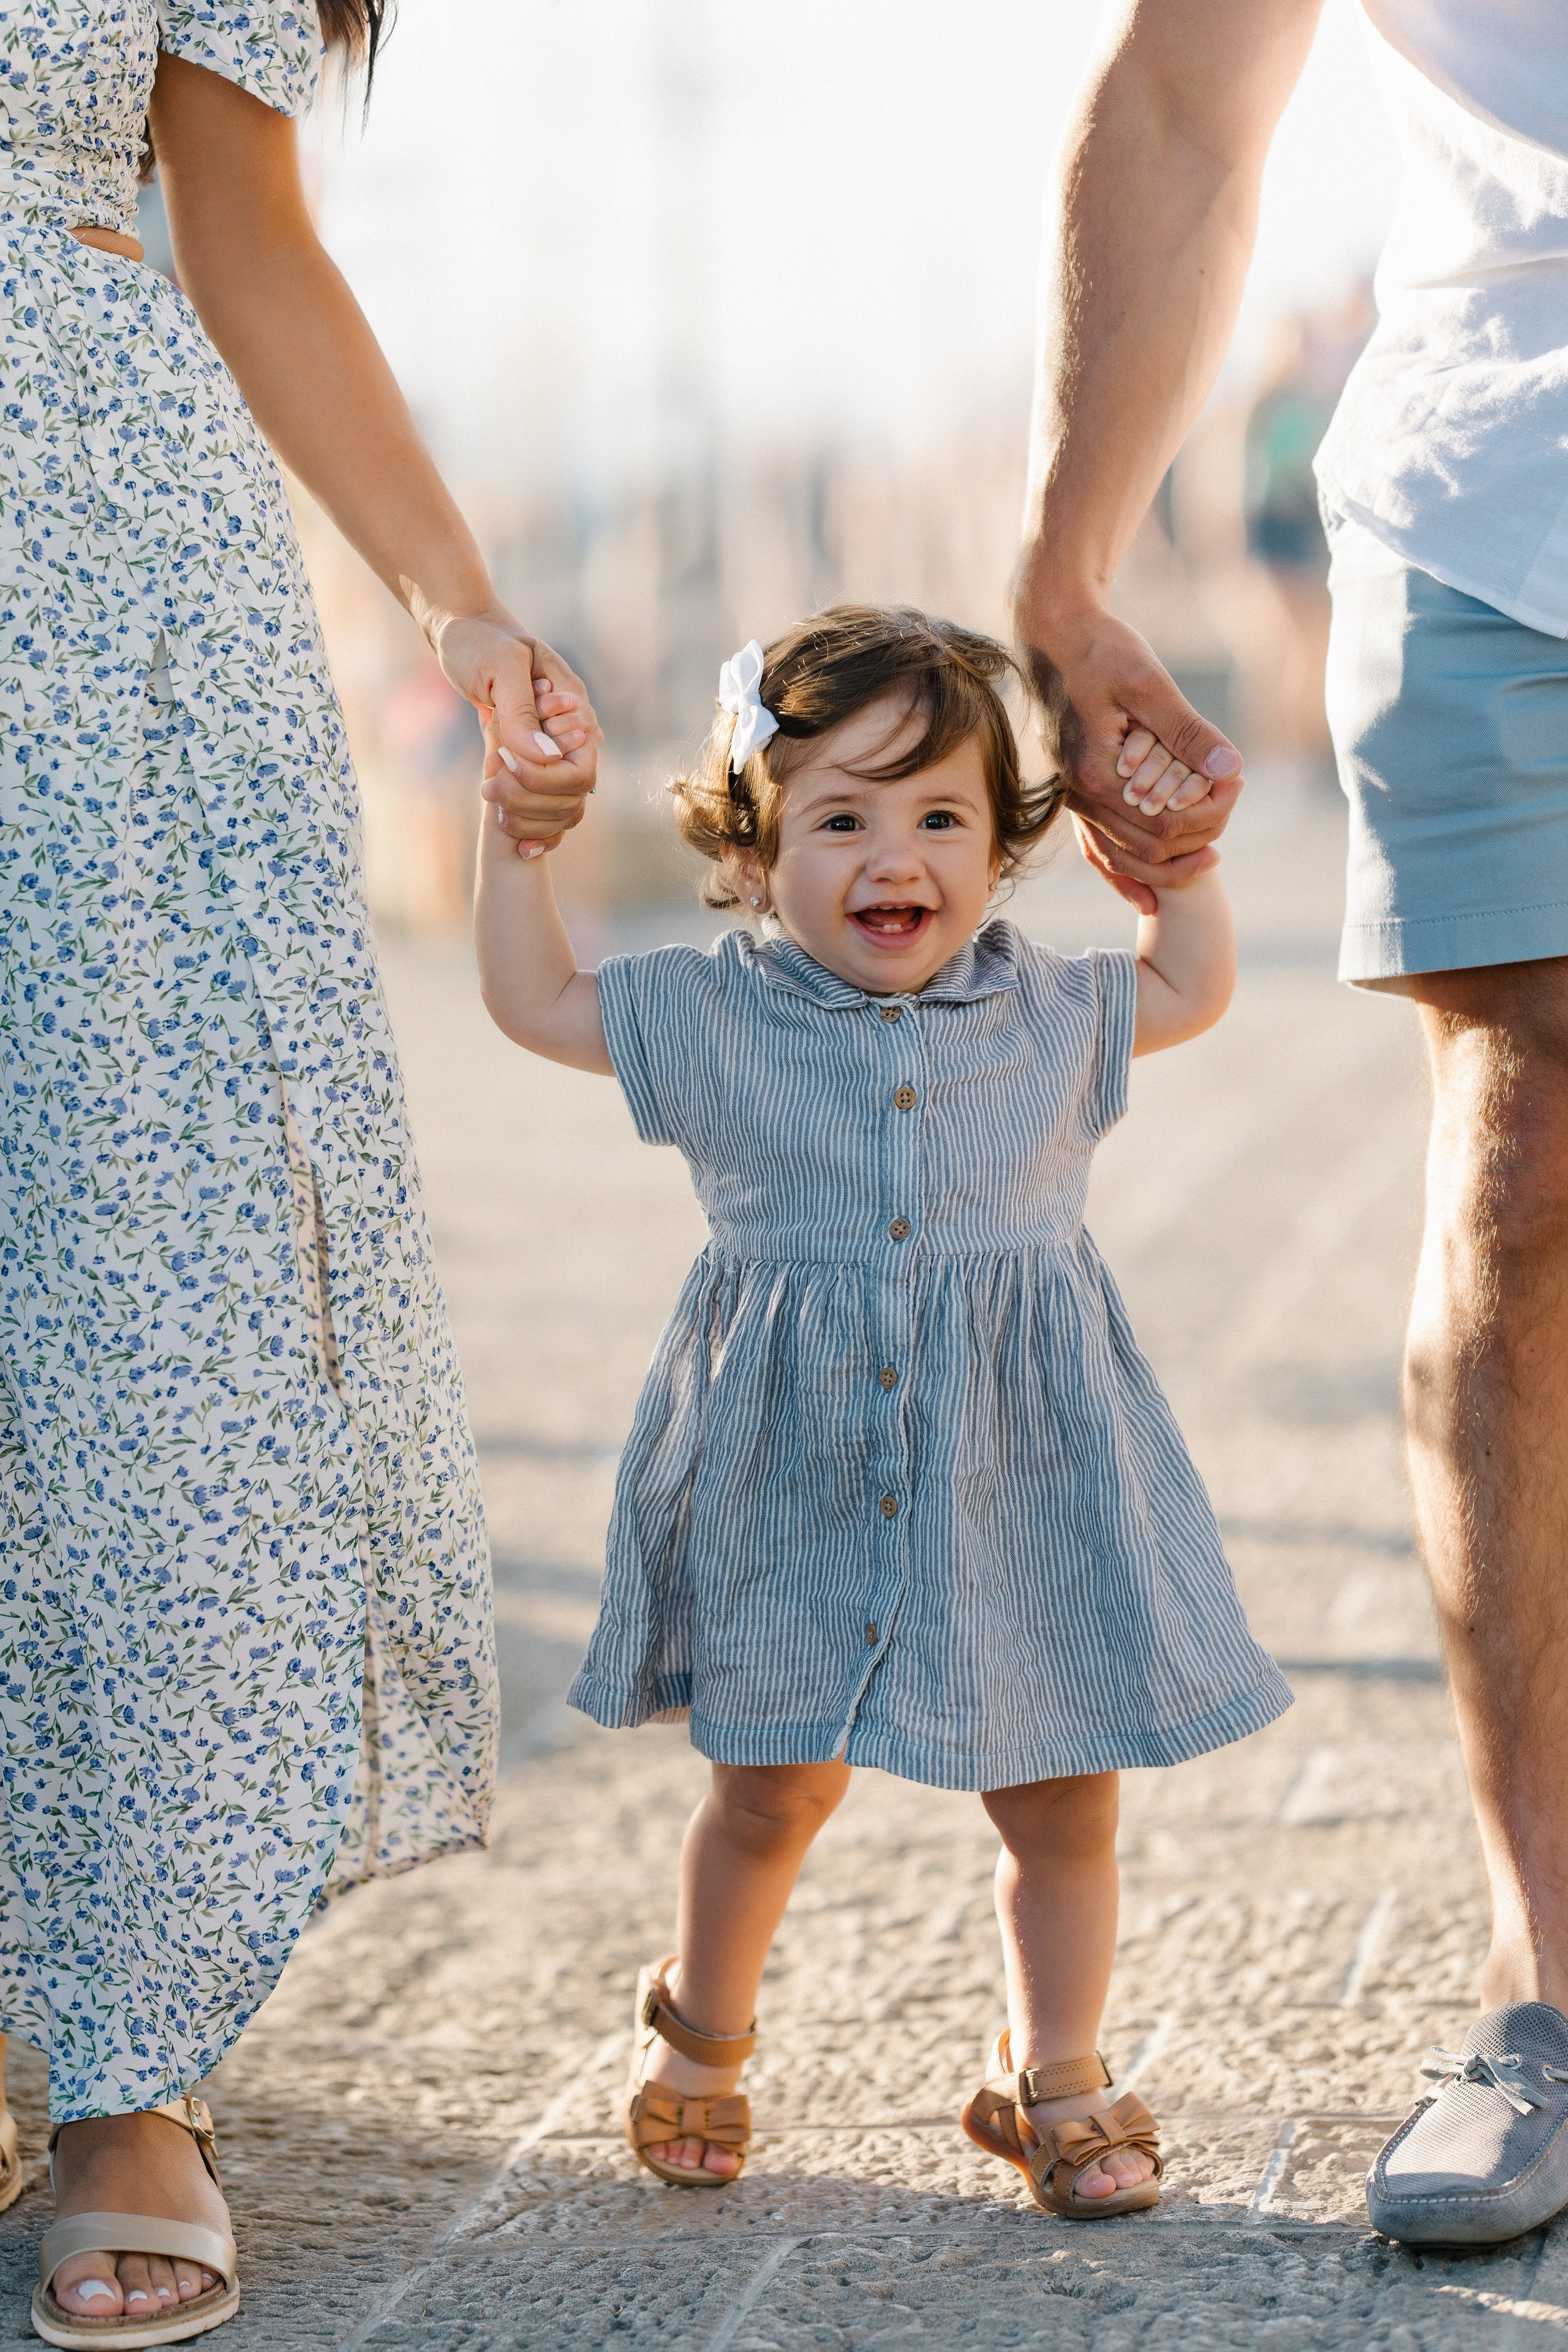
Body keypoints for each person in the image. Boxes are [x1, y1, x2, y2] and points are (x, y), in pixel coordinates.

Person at [0, 2, 598, 2342]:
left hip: (91, 570)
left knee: (138, 1277)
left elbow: (242, 226)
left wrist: (459, 598)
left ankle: (126, 2066)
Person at [473, 604, 1292, 2218]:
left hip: (1020, 1472)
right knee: (772, 1784)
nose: (893, 858)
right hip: (794, 1466)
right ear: (753, 850)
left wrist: (1180, 870)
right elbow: (534, 1000)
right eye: (839, 820)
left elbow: (1190, 987)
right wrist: (518, 848)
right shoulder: (715, 1016)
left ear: (1001, 845)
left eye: (939, 818)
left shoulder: (1047, 1010)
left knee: (1063, 1788)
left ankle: (1058, 2069)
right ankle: (701, 2027)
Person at [1013, 0, 1568, 2247]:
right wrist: (1065, 563)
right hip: (1508, 499)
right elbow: (1186, 97)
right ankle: (1548, 1987)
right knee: (1527, 1184)